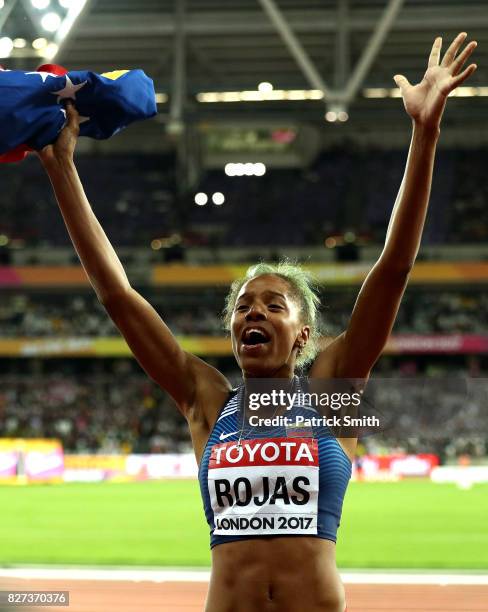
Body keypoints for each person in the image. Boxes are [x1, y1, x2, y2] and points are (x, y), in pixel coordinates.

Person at [37, 33, 476, 612]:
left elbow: (394, 266)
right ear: (233, 331)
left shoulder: (332, 393)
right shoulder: (206, 401)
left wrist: (425, 133)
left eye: (274, 304)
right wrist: (63, 167)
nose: (254, 311)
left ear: (304, 335)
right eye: (244, 305)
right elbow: (118, 295)